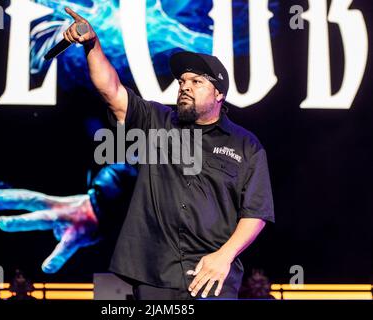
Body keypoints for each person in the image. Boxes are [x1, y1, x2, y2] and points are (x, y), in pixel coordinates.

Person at [61, 7, 275, 300]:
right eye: (182, 82)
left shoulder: (246, 145)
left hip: (213, 276)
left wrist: (224, 256)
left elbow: (256, 212)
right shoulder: (156, 121)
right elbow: (111, 90)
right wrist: (92, 44)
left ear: (219, 94)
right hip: (154, 274)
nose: (185, 87)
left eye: (197, 82)